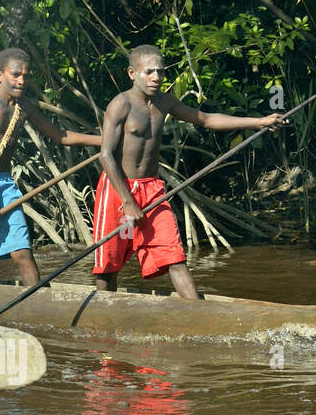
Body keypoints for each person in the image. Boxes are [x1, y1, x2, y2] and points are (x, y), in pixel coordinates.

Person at [93, 44, 283, 298]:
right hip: (118, 191)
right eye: (149, 72)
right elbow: (106, 156)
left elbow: (206, 119)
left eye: (160, 72)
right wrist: (127, 201)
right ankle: (103, 314)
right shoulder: (120, 105)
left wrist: (259, 121)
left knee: (174, 255)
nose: (156, 78)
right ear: (132, 73)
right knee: (109, 264)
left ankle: (197, 315)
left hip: (151, 189)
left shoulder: (165, 102)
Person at [0, 48, 101, 285]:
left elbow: (60, 136)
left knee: (23, 253)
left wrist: (104, 140)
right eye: (16, 74)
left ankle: (38, 305)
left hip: (3, 183)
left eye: (26, 76)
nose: (21, 80)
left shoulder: (24, 106)